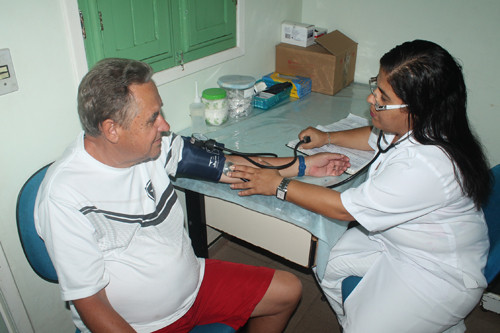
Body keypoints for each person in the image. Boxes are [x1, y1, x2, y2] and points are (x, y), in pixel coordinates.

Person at [34, 58, 351, 333]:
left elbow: (230, 166)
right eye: (152, 118)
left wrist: (303, 165)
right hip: (138, 324)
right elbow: (89, 300)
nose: (166, 125)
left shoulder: (155, 150)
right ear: (111, 129)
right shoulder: (65, 195)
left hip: (194, 284)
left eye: (161, 112)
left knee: (288, 290)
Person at [228, 40, 491, 333]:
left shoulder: (426, 166)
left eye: (382, 97)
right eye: (375, 87)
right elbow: (374, 135)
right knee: (329, 265)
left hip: (439, 272)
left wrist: (279, 185)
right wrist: (327, 138)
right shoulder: (420, 125)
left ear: (416, 108)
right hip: (397, 241)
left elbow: (343, 210)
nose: (371, 99)